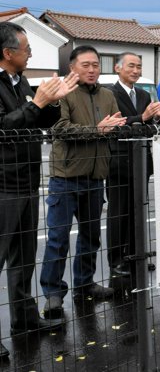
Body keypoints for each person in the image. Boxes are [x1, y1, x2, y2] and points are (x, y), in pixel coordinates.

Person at [0, 22, 77, 356]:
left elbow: (39, 120)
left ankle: (25, 320)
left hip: (27, 181)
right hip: (3, 185)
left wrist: (53, 102)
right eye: (26, 49)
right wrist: (36, 104)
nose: (30, 54)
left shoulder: (20, 82)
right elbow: (5, 127)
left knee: (23, 260)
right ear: (7, 53)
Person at [40, 45, 127, 319]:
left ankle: (85, 285)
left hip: (94, 177)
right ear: (73, 68)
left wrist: (109, 131)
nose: (92, 69)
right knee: (58, 238)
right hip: (65, 178)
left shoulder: (107, 95)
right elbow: (60, 129)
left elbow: (115, 127)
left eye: (96, 65)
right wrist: (97, 130)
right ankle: (53, 294)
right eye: (86, 65)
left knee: (91, 237)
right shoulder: (62, 92)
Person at [106, 52, 160, 279]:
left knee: (138, 210)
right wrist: (142, 119)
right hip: (118, 161)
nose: (135, 70)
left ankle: (136, 255)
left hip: (142, 159)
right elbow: (116, 126)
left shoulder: (143, 94)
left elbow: (150, 127)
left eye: (139, 66)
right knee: (118, 213)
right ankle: (116, 260)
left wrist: (153, 119)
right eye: (131, 66)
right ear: (118, 68)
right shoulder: (109, 94)